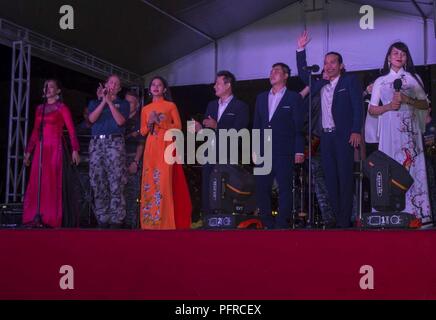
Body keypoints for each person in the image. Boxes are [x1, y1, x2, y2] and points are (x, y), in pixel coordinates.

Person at [296, 30, 363, 228]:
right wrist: (300, 49)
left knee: (345, 179)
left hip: (344, 137)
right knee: (330, 180)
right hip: (325, 138)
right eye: (326, 63)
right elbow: (302, 74)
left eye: (333, 62)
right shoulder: (320, 84)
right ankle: (338, 220)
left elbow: (358, 106)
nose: (329, 65)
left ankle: (345, 220)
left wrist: (356, 130)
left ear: (341, 65)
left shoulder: (349, 81)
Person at [368, 42, 431, 223]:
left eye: (402, 53)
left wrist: (407, 99)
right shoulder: (380, 81)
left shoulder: (413, 78)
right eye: (395, 53)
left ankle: (417, 213)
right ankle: (388, 215)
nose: (399, 56)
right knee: (390, 169)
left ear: (406, 57)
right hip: (389, 129)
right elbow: (372, 109)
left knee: (412, 168)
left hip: (410, 130)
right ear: (388, 57)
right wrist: (388, 106)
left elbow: (424, 104)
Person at [253, 62, 305, 229]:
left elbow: (299, 126)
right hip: (263, 151)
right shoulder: (261, 97)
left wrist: (299, 150)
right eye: (271, 71)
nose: (272, 73)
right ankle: (267, 222)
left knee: (284, 188)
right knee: (262, 188)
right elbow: (256, 125)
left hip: (285, 150)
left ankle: (282, 223)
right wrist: (254, 149)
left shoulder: (293, 97)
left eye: (276, 71)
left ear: (285, 76)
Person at [23, 79, 80, 228]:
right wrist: (28, 151)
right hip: (41, 150)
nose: (47, 89)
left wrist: (75, 149)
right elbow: (35, 131)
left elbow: (71, 129)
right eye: (45, 87)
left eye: (51, 87)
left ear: (58, 91)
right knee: (37, 182)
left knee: (51, 182)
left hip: (55, 148)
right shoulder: (39, 108)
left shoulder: (62, 108)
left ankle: (50, 218)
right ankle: (34, 216)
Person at [193, 70, 249, 216]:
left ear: (228, 85)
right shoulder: (211, 105)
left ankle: (226, 220)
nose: (214, 86)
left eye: (217, 83)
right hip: (209, 153)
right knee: (207, 186)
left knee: (226, 188)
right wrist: (199, 129)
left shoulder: (240, 106)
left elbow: (239, 132)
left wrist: (217, 126)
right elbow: (208, 132)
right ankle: (207, 218)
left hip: (229, 155)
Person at [140, 76, 192, 230]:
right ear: (150, 89)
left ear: (164, 89)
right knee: (150, 182)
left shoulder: (170, 106)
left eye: (159, 85)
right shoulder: (145, 109)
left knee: (163, 184)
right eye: (153, 85)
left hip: (166, 145)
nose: (156, 87)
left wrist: (160, 122)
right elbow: (143, 131)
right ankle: (150, 222)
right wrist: (150, 122)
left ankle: (166, 222)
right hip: (151, 147)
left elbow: (178, 127)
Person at [88, 75, 130, 229]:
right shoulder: (94, 102)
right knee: (98, 179)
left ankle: (116, 219)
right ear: (105, 84)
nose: (113, 85)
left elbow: (120, 121)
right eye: (111, 82)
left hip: (114, 143)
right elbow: (91, 119)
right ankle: (102, 217)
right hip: (97, 143)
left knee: (116, 180)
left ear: (119, 89)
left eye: (116, 84)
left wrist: (110, 102)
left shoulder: (123, 104)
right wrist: (103, 101)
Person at [124, 90, 145, 228]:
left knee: (132, 196)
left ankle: (131, 227)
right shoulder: (119, 117)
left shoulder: (140, 120)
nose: (127, 105)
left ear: (137, 105)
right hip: (118, 159)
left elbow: (141, 143)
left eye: (130, 102)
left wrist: (135, 162)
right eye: (125, 102)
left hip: (132, 159)